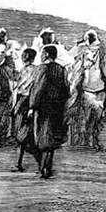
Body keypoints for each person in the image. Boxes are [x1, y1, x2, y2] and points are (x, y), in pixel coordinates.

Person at [25, 43, 70, 178]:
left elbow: (37, 88)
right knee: (51, 138)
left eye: (43, 53)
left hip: (43, 107)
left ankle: (43, 167)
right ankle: (47, 167)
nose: (41, 55)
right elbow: (66, 90)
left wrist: (32, 106)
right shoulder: (61, 69)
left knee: (41, 137)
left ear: (47, 54)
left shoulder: (42, 69)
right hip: (57, 107)